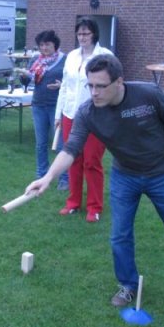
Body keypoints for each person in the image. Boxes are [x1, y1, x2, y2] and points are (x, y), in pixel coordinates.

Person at [25, 54, 164, 306]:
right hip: (125, 176)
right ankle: (127, 285)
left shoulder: (149, 94)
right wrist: (47, 177)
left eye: (100, 86)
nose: (94, 92)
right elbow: (71, 149)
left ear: (119, 82)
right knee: (120, 235)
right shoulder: (88, 112)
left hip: (162, 173)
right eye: (90, 85)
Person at [55, 18, 113, 222]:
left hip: (97, 116)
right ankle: (73, 203)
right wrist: (58, 114)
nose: (82, 37)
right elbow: (64, 86)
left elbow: (112, 86)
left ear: (94, 35)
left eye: (86, 33)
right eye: (79, 34)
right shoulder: (71, 56)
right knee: (73, 159)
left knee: (91, 161)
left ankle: (94, 207)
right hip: (71, 114)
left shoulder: (105, 56)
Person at [15, 30, 69, 190]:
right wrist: (24, 77)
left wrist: (61, 86)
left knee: (60, 144)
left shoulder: (64, 60)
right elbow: (29, 81)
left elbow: (71, 82)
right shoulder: (35, 60)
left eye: (48, 44)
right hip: (38, 105)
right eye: (42, 45)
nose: (44, 48)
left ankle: (64, 179)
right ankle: (41, 175)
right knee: (40, 143)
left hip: (56, 106)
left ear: (55, 45)